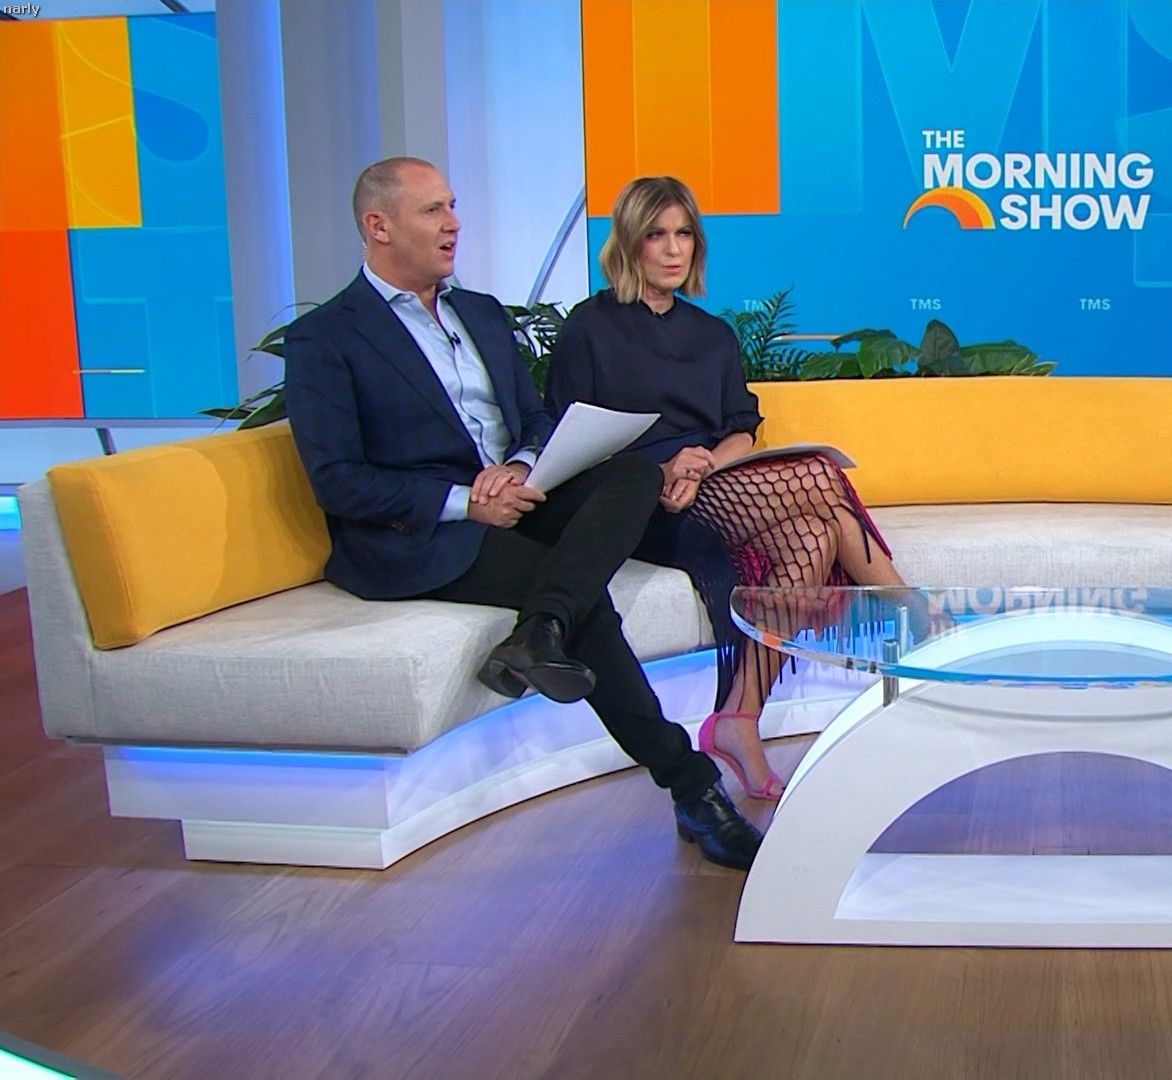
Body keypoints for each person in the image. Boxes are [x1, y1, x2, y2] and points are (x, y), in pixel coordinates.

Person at [282, 156, 761, 868]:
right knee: (583, 601)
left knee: (634, 475)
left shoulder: (479, 313)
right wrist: (467, 503)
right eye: (433, 210)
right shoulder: (327, 338)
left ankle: (540, 630)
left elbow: (535, 417)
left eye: (453, 206)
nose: (453, 224)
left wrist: (522, 467)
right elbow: (337, 480)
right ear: (378, 226)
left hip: (518, 493)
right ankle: (693, 787)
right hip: (427, 533)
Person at [546, 175, 914, 802]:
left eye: (684, 233)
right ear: (629, 243)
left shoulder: (709, 333)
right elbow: (571, 440)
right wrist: (665, 472)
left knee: (814, 533)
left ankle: (739, 717)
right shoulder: (591, 328)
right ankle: (923, 625)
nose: (673, 249)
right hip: (639, 499)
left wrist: (703, 466)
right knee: (819, 478)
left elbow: (741, 426)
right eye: (656, 235)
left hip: (712, 484)